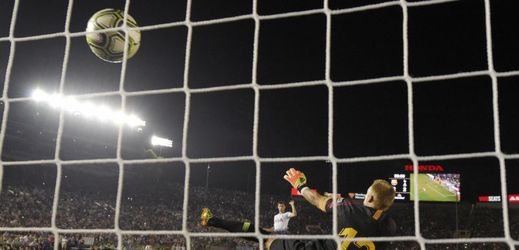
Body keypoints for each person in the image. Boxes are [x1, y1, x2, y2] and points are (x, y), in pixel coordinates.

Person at [267, 168, 397, 250]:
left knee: (269, 240)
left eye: (367, 194)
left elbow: (316, 199)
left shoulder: (348, 209)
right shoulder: (390, 228)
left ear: (370, 198)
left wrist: (300, 186)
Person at [200, 200, 297, 238]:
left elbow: (294, 214)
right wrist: (266, 229)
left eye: (282, 206)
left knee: (236, 228)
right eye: (279, 206)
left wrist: (292, 205)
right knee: (236, 227)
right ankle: (210, 221)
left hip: (271, 237)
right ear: (277, 207)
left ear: (285, 207)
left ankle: (210, 219)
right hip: (265, 233)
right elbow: (274, 228)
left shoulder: (287, 214)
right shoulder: (276, 216)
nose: (281, 207)